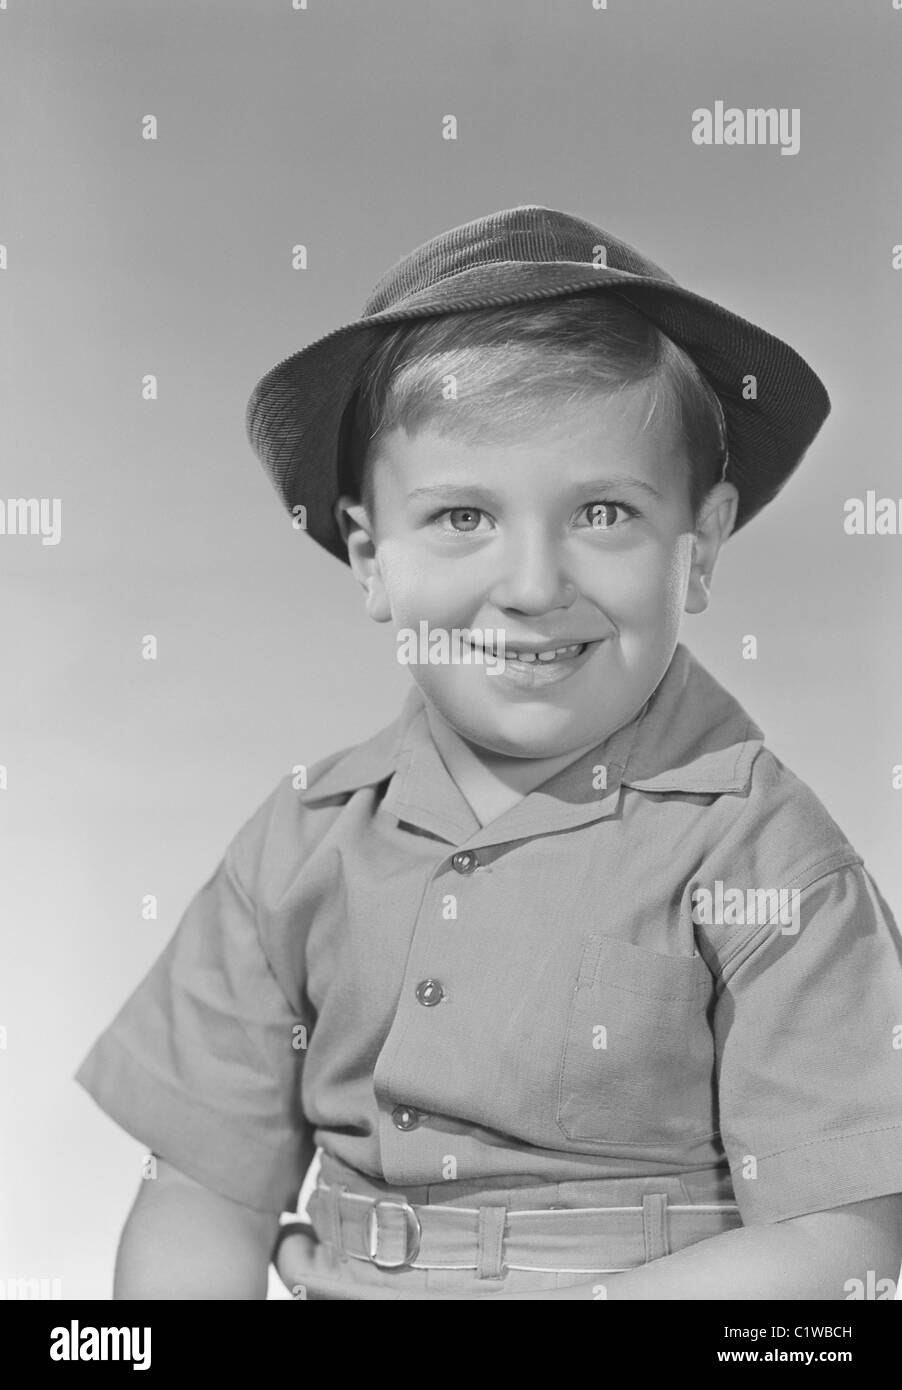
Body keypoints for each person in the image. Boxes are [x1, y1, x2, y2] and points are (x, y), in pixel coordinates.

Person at [75, 205, 902, 1300]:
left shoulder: (761, 858)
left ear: (695, 550)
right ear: (371, 561)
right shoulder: (303, 840)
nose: (528, 585)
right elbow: (201, 1192)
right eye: (462, 517)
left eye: (602, 511)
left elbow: (845, 1240)